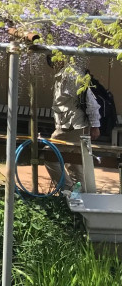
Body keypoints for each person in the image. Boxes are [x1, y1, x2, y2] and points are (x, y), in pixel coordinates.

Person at [45, 58, 100, 191]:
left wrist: (95, 125)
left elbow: (90, 100)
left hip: (72, 125)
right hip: (73, 124)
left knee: (49, 155)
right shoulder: (64, 75)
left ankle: (67, 190)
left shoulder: (70, 75)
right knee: (74, 162)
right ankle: (81, 193)